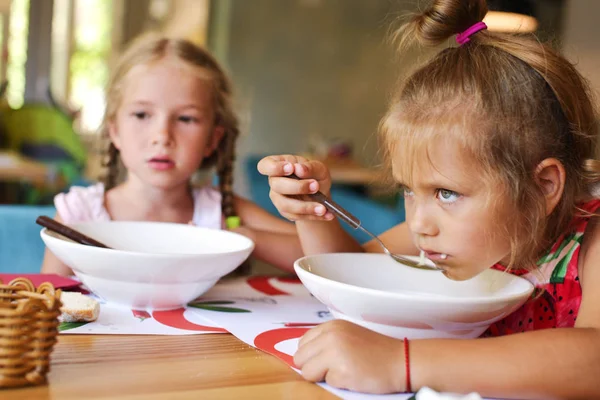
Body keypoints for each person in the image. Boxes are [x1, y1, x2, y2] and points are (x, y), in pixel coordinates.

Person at [257, 0, 600, 397]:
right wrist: (315, 213)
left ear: (543, 187)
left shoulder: (590, 240)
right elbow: (352, 270)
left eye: (447, 193)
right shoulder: (446, 234)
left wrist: (401, 362)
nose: (420, 223)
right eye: (408, 190)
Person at [41, 34, 302, 276]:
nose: (162, 135)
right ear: (115, 130)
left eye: (186, 118)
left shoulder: (223, 213)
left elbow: (331, 260)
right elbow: (45, 303)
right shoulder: (78, 216)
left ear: (213, 138)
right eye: (142, 115)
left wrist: (245, 238)